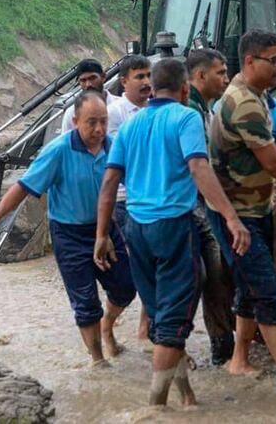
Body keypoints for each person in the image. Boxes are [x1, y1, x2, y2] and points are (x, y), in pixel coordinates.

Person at [94, 58, 250, 406]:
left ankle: (188, 399)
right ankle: (155, 408)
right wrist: (231, 217)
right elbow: (198, 167)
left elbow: (108, 183)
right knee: (171, 327)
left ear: (152, 88)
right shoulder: (186, 117)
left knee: (164, 322)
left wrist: (102, 235)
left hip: (136, 229)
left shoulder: (132, 125)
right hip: (174, 229)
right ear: (184, 89)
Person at [0, 91, 136, 365]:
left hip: (105, 230)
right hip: (69, 235)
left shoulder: (113, 147)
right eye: (91, 122)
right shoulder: (58, 150)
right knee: (86, 303)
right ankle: (98, 360)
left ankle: (107, 327)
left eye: (103, 121)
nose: (99, 129)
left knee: (126, 287)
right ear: (75, 121)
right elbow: (23, 187)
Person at [208, 29, 276, 397]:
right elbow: (273, 160)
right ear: (250, 61)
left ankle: (239, 360)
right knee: (268, 291)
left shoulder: (258, 95)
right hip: (237, 215)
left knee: (250, 287)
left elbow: (261, 161)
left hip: (252, 206)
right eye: (274, 60)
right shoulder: (245, 102)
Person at [185, 48, 236, 366]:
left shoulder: (208, 109)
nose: (226, 78)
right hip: (193, 206)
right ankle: (218, 342)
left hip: (203, 203)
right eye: (220, 72)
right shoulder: (189, 111)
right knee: (211, 271)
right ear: (200, 76)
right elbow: (199, 168)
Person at [106, 54, 153, 344]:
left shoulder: (155, 110)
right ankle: (107, 324)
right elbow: (115, 162)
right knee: (130, 275)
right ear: (124, 82)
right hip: (123, 201)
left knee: (153, 267)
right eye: (140, 77)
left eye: (149, 76)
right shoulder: (115, 114)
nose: (147, 82)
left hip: (150, 200)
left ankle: (144, 330)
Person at [61, 59, 120, 134]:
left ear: (103, 77)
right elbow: (67, 143)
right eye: (83, 80)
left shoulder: (120, 107)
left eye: (92, 78)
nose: (88, 84)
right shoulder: (72, 113)